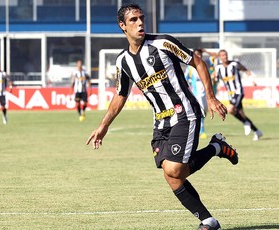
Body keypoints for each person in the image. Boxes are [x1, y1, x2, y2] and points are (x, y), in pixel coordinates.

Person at [86, 4, 238, 230]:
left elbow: (197, 61)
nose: (140, 23)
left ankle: (216, 147)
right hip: (160, 122)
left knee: (175, 169)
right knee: (173, 176)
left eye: (141, 18)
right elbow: (121, 95)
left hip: (185, 113)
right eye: (133, 20)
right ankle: (209, 220)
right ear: (122, 26)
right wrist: (103, 125)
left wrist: (210, 97)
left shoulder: (163, 43)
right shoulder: (123, 62)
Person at [214, 49, 263, 141]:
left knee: (230, 109)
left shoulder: (234, 64)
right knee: (241, 113)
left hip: (238, 92)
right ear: (220, 57)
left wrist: (252, 80)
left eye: (226, 55)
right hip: (230, 95)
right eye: (223, 55)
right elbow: (214, 77)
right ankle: (257, 131)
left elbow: (246, 70)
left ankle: (245, 123)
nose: (225, 57)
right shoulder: (218, 68)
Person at [184, 49, 208, 139]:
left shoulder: (205, 65)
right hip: (196, 93)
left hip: (205, 94)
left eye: (200, 54)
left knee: (204, 112)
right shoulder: (190, 68)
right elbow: (184, 78)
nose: (199, 56)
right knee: (200, 112)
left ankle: (197, 128)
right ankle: (202, 131)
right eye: (197, 55)